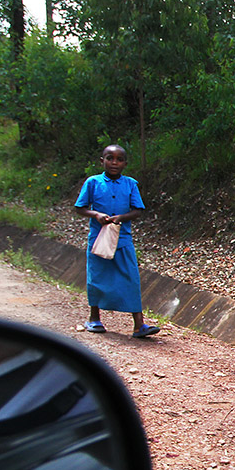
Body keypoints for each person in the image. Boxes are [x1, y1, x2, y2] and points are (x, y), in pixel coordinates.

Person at [74, 144, 160, 339]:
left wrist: (121, 217)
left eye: (119, 159)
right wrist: (96, 214)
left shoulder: (130, 184)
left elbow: (137, 210)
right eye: (110, 158)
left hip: (122, 239)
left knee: (131, 278)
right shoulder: (93, 182)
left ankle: (139, 325)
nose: (114, 162)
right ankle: (94, 318)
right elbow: (80, 207)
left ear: (125, 163)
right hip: (98, 238)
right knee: (97, 277)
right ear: (102, 160)